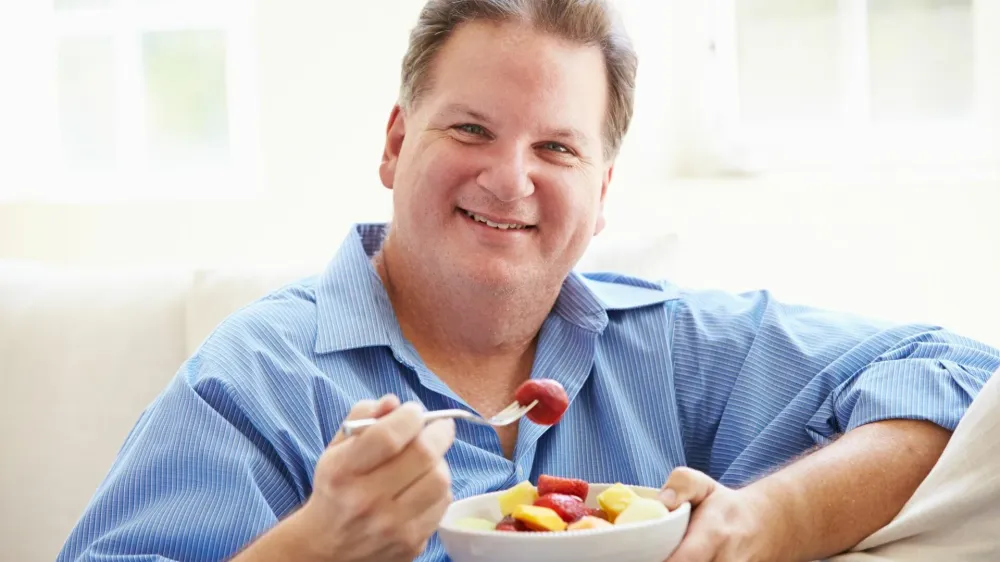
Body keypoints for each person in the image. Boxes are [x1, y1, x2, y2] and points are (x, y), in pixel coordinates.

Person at [58, 1, 1000, 561]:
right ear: (395, 144)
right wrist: (315, 545)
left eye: (556, 147)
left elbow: (956, 374)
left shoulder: (671, 351)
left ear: (601, 195)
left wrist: (762, 520)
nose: (510, 179)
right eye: (470, 130)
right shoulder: (259, 377)